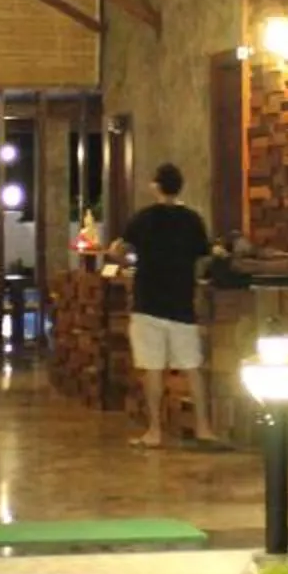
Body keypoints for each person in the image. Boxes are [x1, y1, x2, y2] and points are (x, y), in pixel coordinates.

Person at [112, 162, 220, 451]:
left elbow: (117, 251)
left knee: (153, 370)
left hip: (148, 302)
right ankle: (204, 428)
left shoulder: (143, 219)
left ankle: (155, 431)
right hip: (182, 302)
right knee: (193, 368)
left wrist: (128, 263)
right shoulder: (193, 220)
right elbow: (203, 258)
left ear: (155, 186)